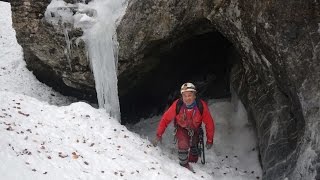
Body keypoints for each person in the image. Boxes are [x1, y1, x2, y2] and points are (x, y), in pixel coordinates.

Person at [153, 82, 215, 172]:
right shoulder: (177, 105)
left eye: (189, 95)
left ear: (194, 95)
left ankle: (193, 160)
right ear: (182, 96)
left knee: (194, 150)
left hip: (195, 129)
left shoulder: (201, 106)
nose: (187, 98)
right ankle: (184, 166)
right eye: (184, 96)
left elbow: (209, 123)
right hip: (182, 128)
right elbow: (165, 119)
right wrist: (159, 135)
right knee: (183, 144)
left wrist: (210, 140)